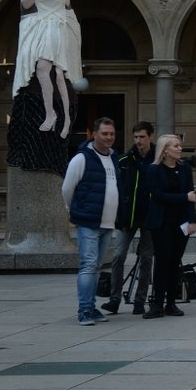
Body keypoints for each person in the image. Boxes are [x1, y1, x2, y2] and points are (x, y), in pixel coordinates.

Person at [14, 0, 83, 138]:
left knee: (59, 73)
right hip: (41, 25)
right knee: (45, 69)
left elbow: (67, 2)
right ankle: (52, 114)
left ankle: (63, 119)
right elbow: (26, 4)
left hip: (60, 25)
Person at [62, 117, 120, 325]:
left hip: (107, 223)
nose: (109, 137)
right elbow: (67, 188)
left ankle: (92, 306)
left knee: (96, 265)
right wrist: (76, 210)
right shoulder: (82, 158)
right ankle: (84, 310)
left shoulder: (113, 157)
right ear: (94, 134)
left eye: (112, 134)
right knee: (88, 265)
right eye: (105, 133)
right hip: (88, 221)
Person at [142, 134, 196, 319]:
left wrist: (193, 221)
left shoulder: (185, 169)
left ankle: (172, 303)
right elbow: (158, 195)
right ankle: (157, 304)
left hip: (180, 222)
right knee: (163, 262)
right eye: (176, 146)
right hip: (161, 222)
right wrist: (183, 198)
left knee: (176, 262)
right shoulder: (154, 170)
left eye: (180, 146)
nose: (180, 149)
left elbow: (191, 196)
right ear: (165, 149)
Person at [102, 121, 155, 315]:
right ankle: (115, 297)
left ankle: (140, 299)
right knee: (118, 256)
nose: (139, 141)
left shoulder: (158, 158)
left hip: (150, 217)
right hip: (127, 217)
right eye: (136, 137)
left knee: (146, 258)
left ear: (150, 137)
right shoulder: (124, 159)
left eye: (142, 137)